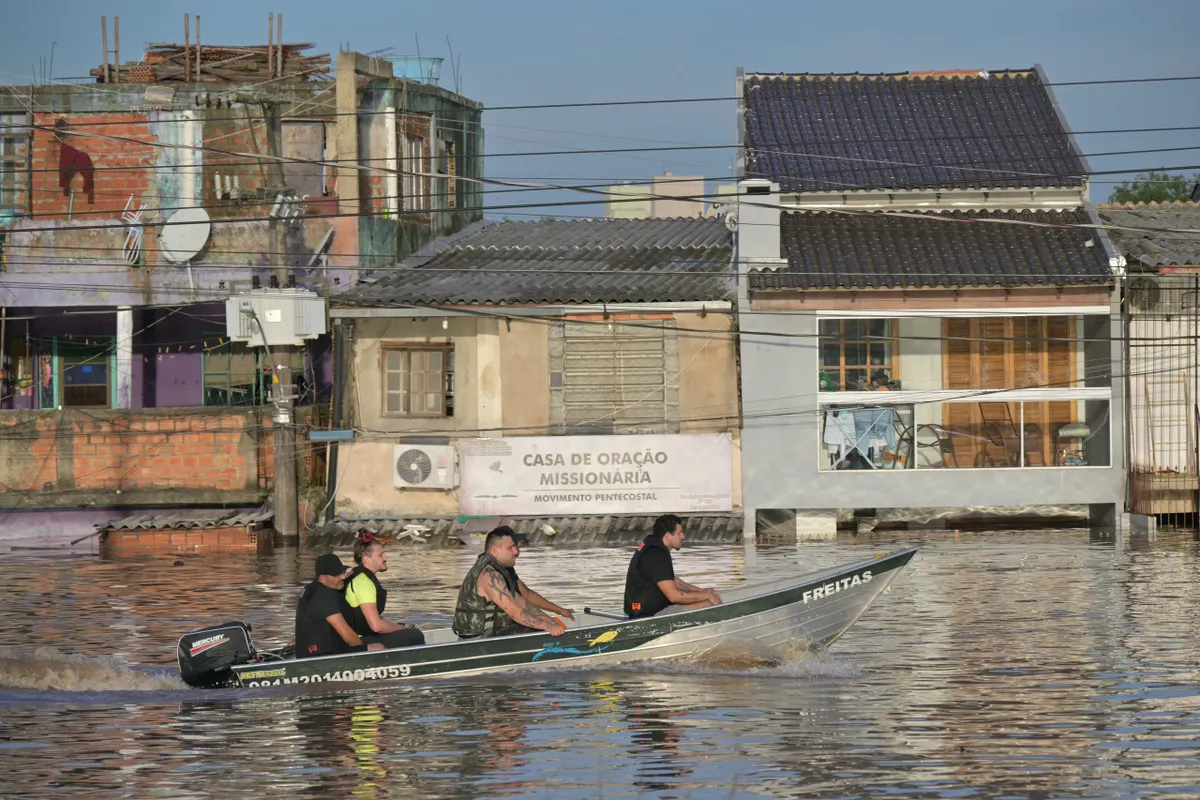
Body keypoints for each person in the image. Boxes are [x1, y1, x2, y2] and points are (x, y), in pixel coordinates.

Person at [453, 526, 568, 639]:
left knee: (536, 625)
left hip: (491, 633)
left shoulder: (501, 570)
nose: (516, 552)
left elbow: (522, 603)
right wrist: (546, 626)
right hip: (480, 639)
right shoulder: (489, 575)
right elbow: (514, 611)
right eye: (510, 548)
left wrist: (550, 621)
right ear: (496, 551)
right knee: (534, 629)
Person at [624, 514, 722, 619]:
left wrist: (702, 591)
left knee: (706, 597)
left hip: (644, 611)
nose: (683, 537)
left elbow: (672, 582)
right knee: (708, 604)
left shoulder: (652, 547)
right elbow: (674, 597)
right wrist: (708, 596)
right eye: (679, 533)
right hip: (650, 615)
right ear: (668, 536)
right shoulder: (657, 554)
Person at [344, 531, 426, 649]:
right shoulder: (363, 582)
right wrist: (402, 629)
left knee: (403, 628)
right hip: (360, 639)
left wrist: (397, 627)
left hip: (362, 634)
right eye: (380, 555)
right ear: (366, 557)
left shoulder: (357, 575)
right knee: (415, 635)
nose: (386, 557)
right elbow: (376, 626)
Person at [295, 553, 385, 659]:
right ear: (323, 578)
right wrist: (363, 651)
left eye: (342, 572)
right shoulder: (323, 597)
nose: (343, 576)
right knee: (378, 648)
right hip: (322, 655)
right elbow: (348, 636)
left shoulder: (311, 590)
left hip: (312, 651)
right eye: (337, 575)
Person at [506, 534, 575, 622]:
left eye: (518, 548)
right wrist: (547, 623)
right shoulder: (493, 570)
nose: (517, 552)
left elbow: (527, 594)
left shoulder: (508, 568)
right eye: (513, 548)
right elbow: (519, 604)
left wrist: (560, 610)